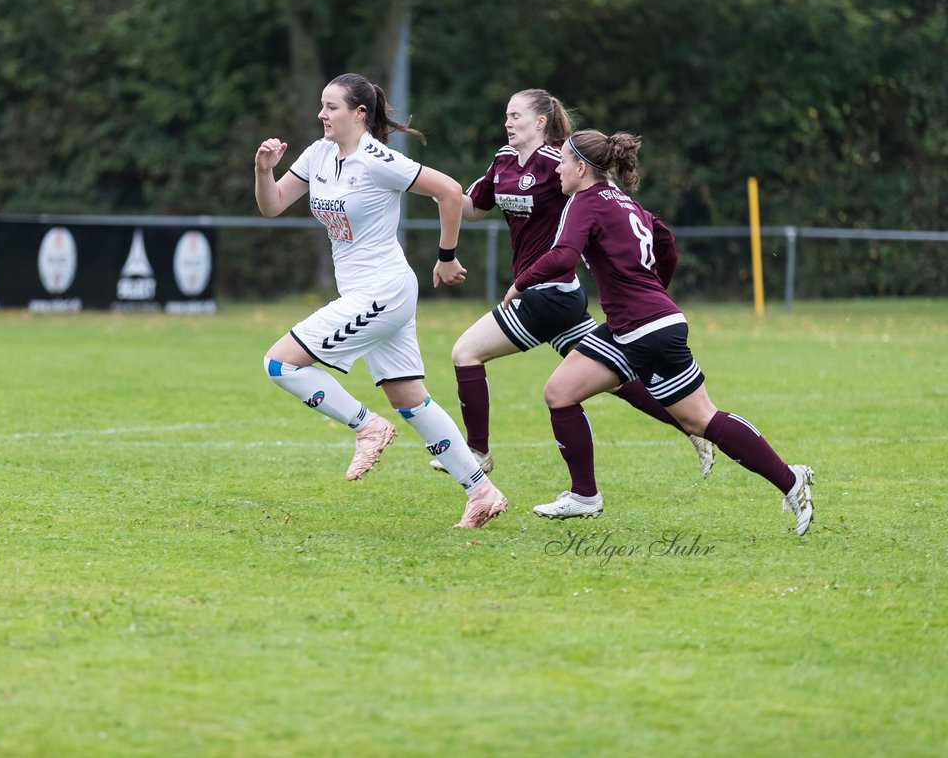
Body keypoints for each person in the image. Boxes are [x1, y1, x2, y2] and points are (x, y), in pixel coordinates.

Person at [511, 128, 814, 534]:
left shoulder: (583, 202)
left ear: (582, 168)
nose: (558, 170)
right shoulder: (624, 201)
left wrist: (520, 283)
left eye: (563, 161)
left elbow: (564, 256)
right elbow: (666, 241)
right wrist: (655, 292)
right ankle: (584, 496)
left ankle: (791, 481)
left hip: (643, 327)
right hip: (643, 323)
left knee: (702, 419)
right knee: (560, 393)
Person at [255, 72, 508, 529]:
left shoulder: (378, 160)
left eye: (331, 107)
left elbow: (450, 191)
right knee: (410, 398)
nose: (321, 114)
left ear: (359, 114)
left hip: (383, 291)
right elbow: (272, 205)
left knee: (281, 364)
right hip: (366, 292)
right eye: (321, 105)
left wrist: (447, 257)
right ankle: (482, 492)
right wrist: (263, 170)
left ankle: (366, 426)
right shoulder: (317, 155)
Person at [430, 89, 714, 479]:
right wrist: (434, 188)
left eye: (516, 116)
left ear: (541, 122)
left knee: (466, 352)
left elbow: (601, 194)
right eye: (506, 116)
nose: (508, 123)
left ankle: (477, 452)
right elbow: (473, 209)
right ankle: (693, 426)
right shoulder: (503, 161)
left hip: (547, 293)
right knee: (613, 377)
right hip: (559, 296)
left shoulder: (558, 162)